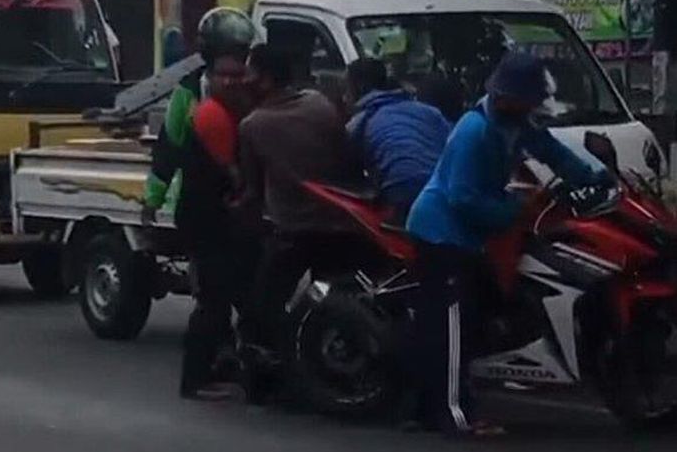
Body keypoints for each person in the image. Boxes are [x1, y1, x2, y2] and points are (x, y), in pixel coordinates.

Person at [405, 52, 610, 436]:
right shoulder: (475, 131)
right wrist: (515, 209)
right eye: (529, 98)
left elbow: (555, 153)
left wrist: (597, 176)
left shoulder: (516, 124)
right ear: (509, 96)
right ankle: (453, 416)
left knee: (477, 316)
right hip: (442, 234)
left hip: (470, 236)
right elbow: (462, 199)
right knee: (451, 329)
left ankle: (427, 406)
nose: (534, 105)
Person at [141, 7, 257, 399]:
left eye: (241, 57)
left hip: (242, 209)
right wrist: (151, 201)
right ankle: (196, 378)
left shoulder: (252, 90)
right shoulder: (188, 94)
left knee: (243, 291)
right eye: (228, 58)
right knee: (213, 296)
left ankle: (233, 362)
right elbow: (168, 151)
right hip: (203, 209)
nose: (235, 69)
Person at [237, 44, 363, 362]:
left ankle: (266, 367)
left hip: (293, 230)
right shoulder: (321, 104)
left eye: (248, 73)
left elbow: (251, 190)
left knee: (262, 307)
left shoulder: (253, 125)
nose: (242, 80)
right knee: (341, 298)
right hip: (341, 223)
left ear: (264, 80)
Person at [346, 58, 452, 218]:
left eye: (346, 89)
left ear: (358, 88)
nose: (344, 97)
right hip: (444, 194)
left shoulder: (360, 122)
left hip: (401, 199)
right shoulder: (430, 112)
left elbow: (344, 169)